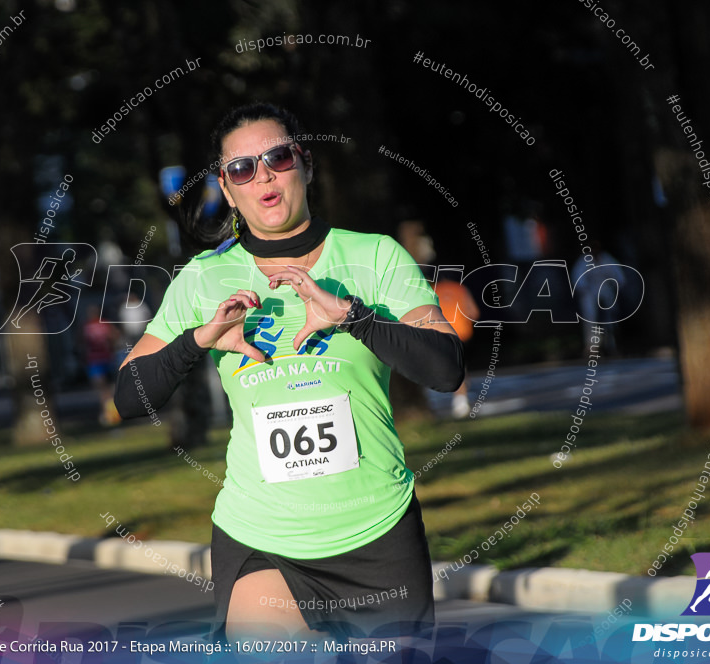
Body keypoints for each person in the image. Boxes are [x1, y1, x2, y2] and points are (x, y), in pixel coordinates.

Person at [114, 104, 464, 642]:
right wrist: (198, 340)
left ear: (303, 163)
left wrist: (353, 317)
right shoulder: (204, 279)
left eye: (276, 157)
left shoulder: (373, 257)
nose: (264, 176)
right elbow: (130, 397)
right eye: (241, 169)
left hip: (376, 531)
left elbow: (445, 369)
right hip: (262, 534)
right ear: (228, 191)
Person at [433, 271, 480, 418]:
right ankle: (461, 399)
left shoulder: (432, 290)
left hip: (439, 332)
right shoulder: (460, 289)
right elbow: (474, 313)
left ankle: (460, 399)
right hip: (461, 332)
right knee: (458, 365)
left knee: (452, 365)